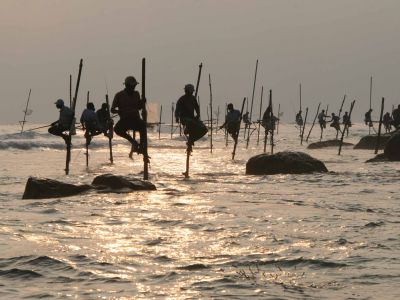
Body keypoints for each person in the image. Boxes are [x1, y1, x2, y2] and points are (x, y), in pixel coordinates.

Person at [111, 76, 146, 156]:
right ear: (127, 85)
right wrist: (119, 111)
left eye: (134, 86)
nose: (133, 87)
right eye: (132, 86)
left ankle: (141, 146)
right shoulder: (119, 95)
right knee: (117, 129)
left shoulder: (136, 94)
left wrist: (142, 102)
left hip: (135, 119)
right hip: (125, 120)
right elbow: (112, 109)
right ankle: (132, 141)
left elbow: (139, 107)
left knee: (143, 127)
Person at [175, 84, 206, 150]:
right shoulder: (182, 99)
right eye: (190, 91)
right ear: (187, 91)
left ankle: (191, 140)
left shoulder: (193, 98)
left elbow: (197, 107)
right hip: (184, 118)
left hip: (192, 119)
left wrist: (198, 115)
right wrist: (177, 117)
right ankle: (187, 131)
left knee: (204, 129)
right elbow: (177, 109)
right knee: (191, 123)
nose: (192, 92)